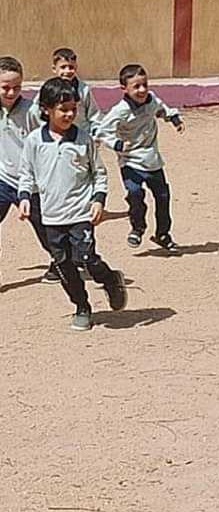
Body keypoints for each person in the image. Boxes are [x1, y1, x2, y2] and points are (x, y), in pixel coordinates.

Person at [18, 78, 127, 330]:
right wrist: (24, 197)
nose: (69, 114)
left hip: (80, 213)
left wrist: (98, 200)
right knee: (63, 265)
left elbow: (99, 173)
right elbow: (27, 174)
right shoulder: (34, 141)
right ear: (46, 109)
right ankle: (82, 307)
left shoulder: (83, 139)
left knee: (87, 259)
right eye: (63, 109)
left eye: (73, 109)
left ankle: (110, 280)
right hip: (51, 216)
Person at [96, 64, 185, 253]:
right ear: (124, 89)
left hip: (152, 161)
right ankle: (137, 227)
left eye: (145, 84)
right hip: (130, 162)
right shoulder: (120, 111)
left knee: (163, 197)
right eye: (136, 86)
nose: (142, 90)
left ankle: (163, 234)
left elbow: (162, 109)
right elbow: (103, 131)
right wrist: (118, 145)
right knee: (135, 194)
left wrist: (174, 119)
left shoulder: (151, 100)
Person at [0, 56, 57, 283]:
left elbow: (50, 136)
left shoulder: (31, 111)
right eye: (5, 87)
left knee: (45, 229)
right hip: (3, 180)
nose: (11, 92)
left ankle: (61, 262)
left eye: (17, 87)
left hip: (32, 183)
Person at [31, 48, 104, 136]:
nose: (67, 71)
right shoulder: (48, 88)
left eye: (71, 67)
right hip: (55, 134)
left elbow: (94, 115)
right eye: (63, 67)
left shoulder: (84, 89)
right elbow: (35, 111)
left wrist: (95, 133)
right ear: (54, 69)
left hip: (80, 135)